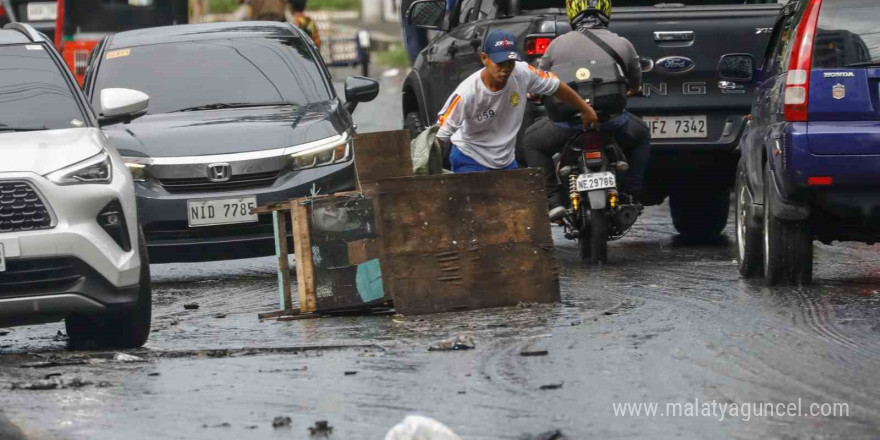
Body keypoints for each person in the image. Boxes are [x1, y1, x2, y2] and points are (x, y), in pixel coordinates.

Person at [523, 0, 651, 219]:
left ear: (572, 11)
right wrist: (631, 90)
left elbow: (539, 79)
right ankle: (630, 195)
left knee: (531, 141)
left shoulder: (557, 44)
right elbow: (634, 82)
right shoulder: (623, 43)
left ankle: (552, 200)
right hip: (611, 121)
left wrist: (534, 94)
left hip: (566, 124)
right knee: (642, 135)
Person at [435, 30, 599, 173]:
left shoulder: (522, 72)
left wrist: (584, 108)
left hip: (505, 161)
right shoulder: (467, 94)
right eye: (500, 63)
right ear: (484, 58)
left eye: (510, 62)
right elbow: (440, 135)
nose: (506, 69)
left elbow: (556, 86)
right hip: (470, 159)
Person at [400, 0, 428, 65]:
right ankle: (422, 64)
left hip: (409, 5)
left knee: (414, 37)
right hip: (423, 3)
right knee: (420, 38)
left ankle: (418, 65)